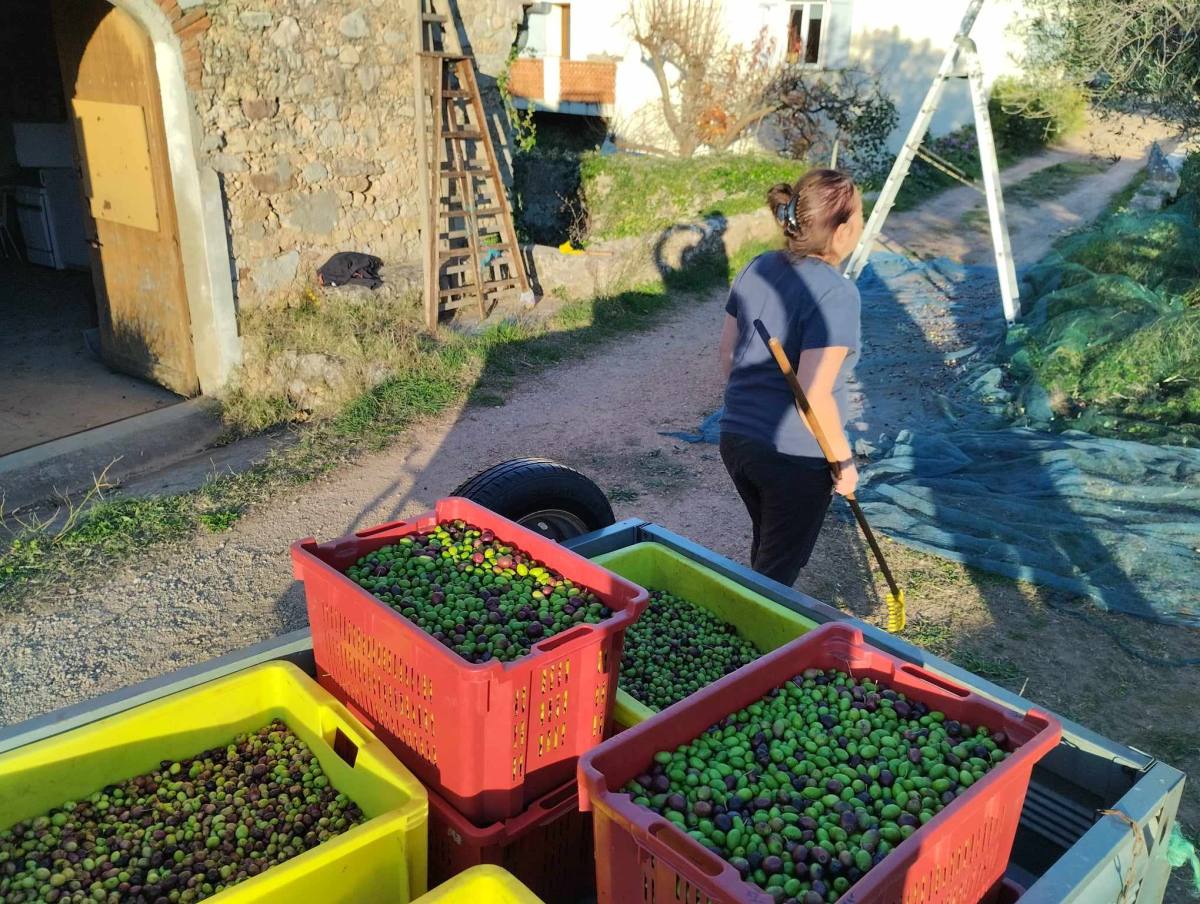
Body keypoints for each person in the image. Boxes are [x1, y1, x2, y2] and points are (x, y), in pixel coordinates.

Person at [718, 168, 865, 586]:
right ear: (840, 232)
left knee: (769, 550)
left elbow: (728, 356)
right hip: (792, 457)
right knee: (776, 577)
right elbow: (815, 396)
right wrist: (843, 462)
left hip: (737, 439)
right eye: (858, 218)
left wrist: (751, 408)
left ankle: (752, 613)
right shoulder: (837, 293)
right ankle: (754, 645)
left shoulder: (759, 266)